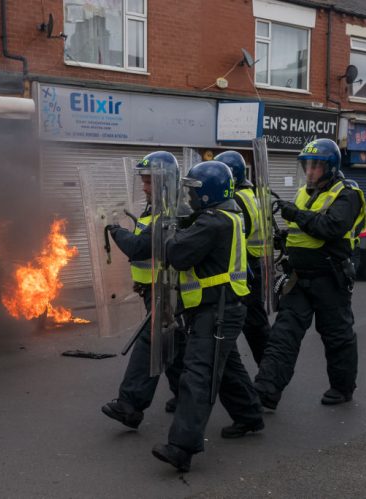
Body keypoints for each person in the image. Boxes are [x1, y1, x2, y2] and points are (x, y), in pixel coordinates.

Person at [151, 161, 264, 472]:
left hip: (217, 311)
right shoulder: (227, 216)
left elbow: (176, 254)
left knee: (198, 376)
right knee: (225, 369)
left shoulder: (213, 223)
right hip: (222, 309)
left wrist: (173, 232)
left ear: (208, 194)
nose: (188, 197)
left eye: (193, 191)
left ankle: (181, 447)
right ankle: (250, 415)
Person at [255, 139, 366, 409]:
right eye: (307, 165)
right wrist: (283, 239)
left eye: (316, 166)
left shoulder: (347, 193)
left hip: (330, 278)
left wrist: (296, 215)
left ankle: (342, 388)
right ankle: (266, 390)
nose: (310, 171)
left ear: (330, 168)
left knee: (337, 336)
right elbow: (301, 234)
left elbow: (331, 227)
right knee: (283, 334)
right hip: (299, 277)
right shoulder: (305, 192)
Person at [101, 151, 184, 430]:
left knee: (152, 343)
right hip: (155, 288)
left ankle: (130, 406)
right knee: (173, 345)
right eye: (143, 181)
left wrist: (115, 231)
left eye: (149, 181)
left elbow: (140, 246)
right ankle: (185, 395)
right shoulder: (154, 208)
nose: (145, 187)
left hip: (169, 290)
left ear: (165, 182)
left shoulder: (169, 211)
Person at [215, 151, 271, 364]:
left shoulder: (236, 198)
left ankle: (269, 372)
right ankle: (268, 370)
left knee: (252, 325)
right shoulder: (251, 194)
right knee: (256, 324)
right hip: (252, 265)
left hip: (243, 267)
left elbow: (234, 235)